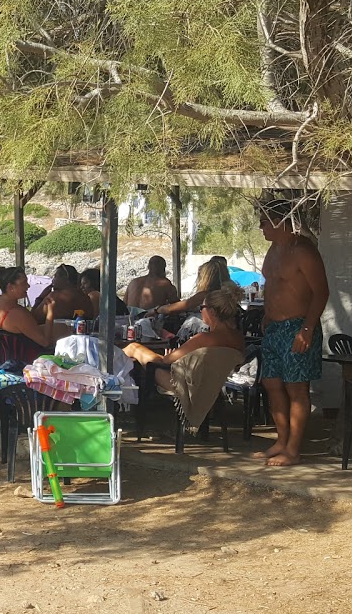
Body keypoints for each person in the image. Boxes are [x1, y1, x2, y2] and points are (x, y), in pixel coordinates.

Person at [255, 199, 329, 466]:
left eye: (264, 222)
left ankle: (294, 449)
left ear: (280, 221)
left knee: (296, 388)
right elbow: (274, 286)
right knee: (271, 383)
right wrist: (266, 313)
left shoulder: (303, 250)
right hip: (273, 328)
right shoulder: (273, 250)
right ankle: (281, 440)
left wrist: (307, 329)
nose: (260, 227)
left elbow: (321, 291)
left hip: (297, 326)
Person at [122, 290, 246, 391]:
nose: (200, 310)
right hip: (213, 384)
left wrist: (171, 355)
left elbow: (166, 360)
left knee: (134, 348)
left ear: (212, 312)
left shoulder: (204, 339)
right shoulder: (238, 337)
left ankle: (119, 392)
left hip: (188, 385)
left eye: (201, 307)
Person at [0, 266, 51, 348]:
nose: (28, 286)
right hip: (22, 356)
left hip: (2, 352)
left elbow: (29, 320)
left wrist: (40, 299)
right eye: (24, 283)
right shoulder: (18, 313)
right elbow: (45, 342)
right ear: (10, 287)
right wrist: (50, 313)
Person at [32, 264, 95, 338]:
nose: (53, 280)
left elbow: (34, 319)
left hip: (54, 339)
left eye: (55, 276)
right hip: (80, 338)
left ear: (65, 278)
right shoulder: (84, 297)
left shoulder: (55, 296)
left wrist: (40, 298)